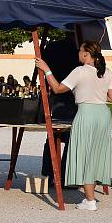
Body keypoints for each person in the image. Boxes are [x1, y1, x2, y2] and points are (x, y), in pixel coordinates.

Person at [35, 41, 112, 211]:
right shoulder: (106, 72)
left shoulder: (79, 71)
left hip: (86, 113)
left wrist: (47, 69)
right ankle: (90, 196)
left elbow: (57, 89)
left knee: (85, 154)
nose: (78, 54)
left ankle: (90, 200)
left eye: (80, 51)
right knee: (96, 154)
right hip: (102, 114)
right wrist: (98, 96)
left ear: (86, 54)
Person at [40, 38, 80, 185]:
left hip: (55, 94)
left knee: (53, 136)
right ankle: (66, 174)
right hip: (72, 94)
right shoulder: (78, 48)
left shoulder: (52, 47)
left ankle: (49, 173)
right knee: (70, 138)